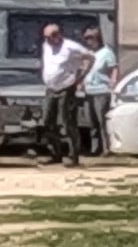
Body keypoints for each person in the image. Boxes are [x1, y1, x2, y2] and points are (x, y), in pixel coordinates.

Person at [36, 20, 98, 165]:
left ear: (58, 35)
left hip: (66, 88)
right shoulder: (46, 46)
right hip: (51, 89)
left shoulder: (71, 47)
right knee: (46, 121)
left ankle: (73, 156)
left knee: (67, 121)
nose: (47, 40)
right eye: (45, 37)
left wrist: (81, 76)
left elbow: (91, 57)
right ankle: (55, 153)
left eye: (50, 36)